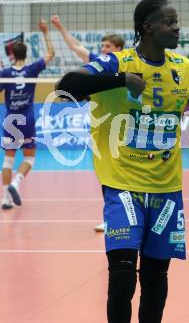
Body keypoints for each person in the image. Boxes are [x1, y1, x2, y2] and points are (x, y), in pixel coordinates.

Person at [56, 0, 189, 323]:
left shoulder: (184, 68)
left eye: (176, 21)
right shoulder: (118, 62)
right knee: (122, 276)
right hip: (122, 184)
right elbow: (65, 86)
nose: (177, 27)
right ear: (147, 27)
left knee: (156, 278)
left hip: (166, 188)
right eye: (169, 21)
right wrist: (120, 80)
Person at [51, 14, 125, 232]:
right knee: (106, 176)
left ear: (119, 48)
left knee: (125, 177)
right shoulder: (98, 64)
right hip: (102, 130)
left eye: (108, 46)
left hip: (124, 127)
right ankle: (111, 218)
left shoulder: (128, 66)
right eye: (102, 46)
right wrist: (60, 26)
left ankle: (127, 217)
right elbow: (75, 46)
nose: (103, 50)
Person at [0, 20, 54, 209]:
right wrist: (45, 32)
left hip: (10, 120)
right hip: (27, 120)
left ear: (12, 54)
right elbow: (51, 54)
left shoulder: (6, 72)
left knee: (8, 159)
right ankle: (16, 182)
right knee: (30, 158)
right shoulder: (32, 69)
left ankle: (5, 198)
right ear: (26, 54)